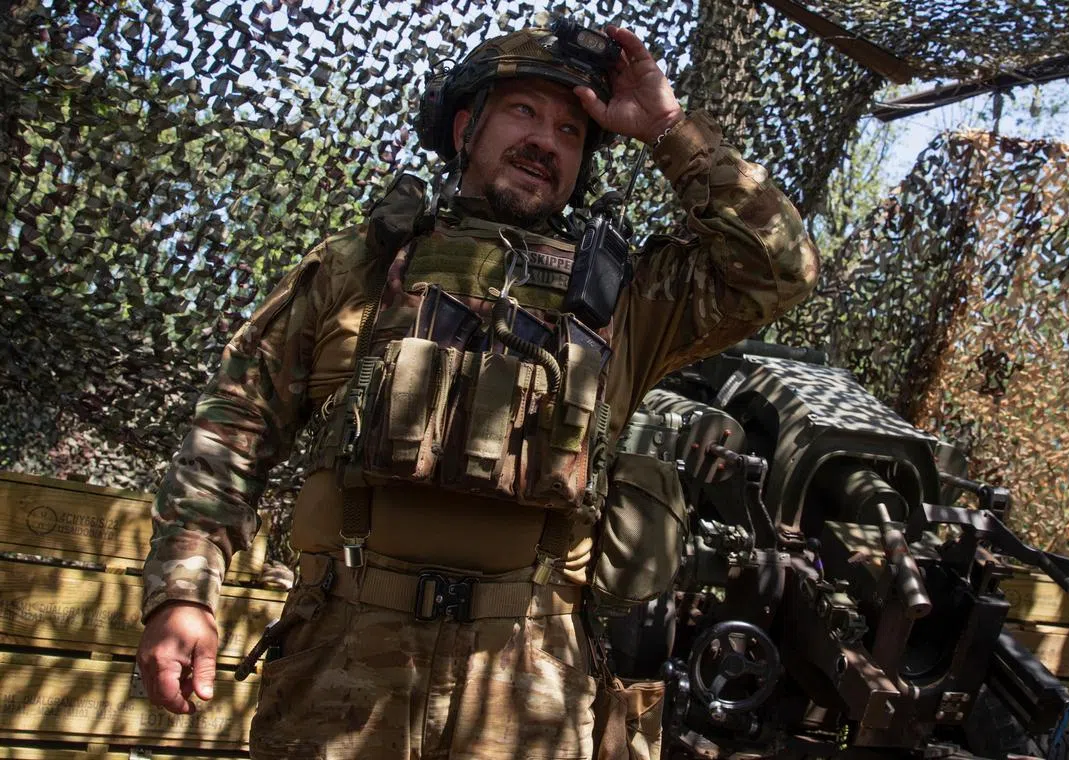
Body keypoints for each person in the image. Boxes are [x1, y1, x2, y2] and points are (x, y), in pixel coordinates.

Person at [135, 21, 819, 760]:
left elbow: (781, 266)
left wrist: (667, 129)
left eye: (570, 129)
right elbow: (239, 420)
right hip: (340, 661)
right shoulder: (361, 266)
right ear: (467, 125)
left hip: (531, 682)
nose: (546, 141)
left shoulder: (631, 300)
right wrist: (183, 590)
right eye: (523, 112)